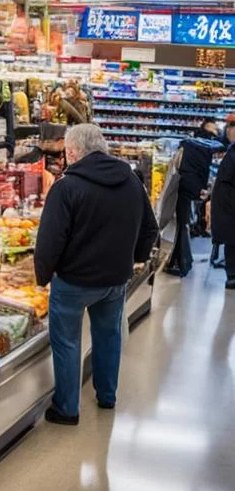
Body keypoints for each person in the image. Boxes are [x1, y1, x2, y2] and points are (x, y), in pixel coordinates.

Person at [35, 124, 158, 425]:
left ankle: (67, 408)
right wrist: (135, 259)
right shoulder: (131, 181)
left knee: (67, 342)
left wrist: (42, 277)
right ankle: (107, 396)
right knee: (108, 336)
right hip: (115, 279)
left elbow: (49, 241)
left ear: (73, 152)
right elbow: (150, 228)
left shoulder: (66, 187)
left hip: (73, 282)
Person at [167, 132, 221, 275]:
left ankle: (180, 262)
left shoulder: (188, 166)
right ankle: (181, 262)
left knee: (181, 229)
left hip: (183, 209)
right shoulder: (197, 168)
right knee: (182, 230)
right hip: (186, 212)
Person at [210, 122, 235, 287]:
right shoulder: (233, 153)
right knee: (232, 240)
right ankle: (232, 275)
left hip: (228, 202)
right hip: (229, 204)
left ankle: (232, 274)